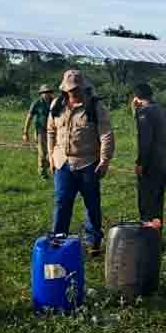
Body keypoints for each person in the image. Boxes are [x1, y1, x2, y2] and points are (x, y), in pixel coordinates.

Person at [47, 69, 114, 257]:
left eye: (76, 89)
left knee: (92, 204)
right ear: (64, 90)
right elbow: (50, 131)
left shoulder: (95, 106)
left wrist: (105, 160)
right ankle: (59, 240)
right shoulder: (57, 104)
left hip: (88, 163)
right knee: (62, 203)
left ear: (83, 87)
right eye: (70, 90)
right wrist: (50, 156)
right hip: (62, 163)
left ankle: (93, 242)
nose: (73, 93)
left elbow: (106, 134)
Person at [131, 83, 166, 224]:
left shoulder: (144, 112)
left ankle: (147, 239)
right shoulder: (162, 110)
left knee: (146, 204)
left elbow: (145, 140)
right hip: (164, 159)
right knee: (157, 203)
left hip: (151, 163)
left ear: (136, 97)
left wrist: (140, 162)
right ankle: (156, 235)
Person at [22, 84, 55, 178]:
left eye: (49, 92)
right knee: (42, 153)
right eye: (45, 92)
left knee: (53, 151)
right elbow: (29, 117)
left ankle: (52, 168)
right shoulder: (37, 103)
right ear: (41, 93)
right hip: (41, 131)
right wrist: (25, 132)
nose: (47, 94)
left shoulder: (55, 102)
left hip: (53, 131)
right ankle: (43, 173)